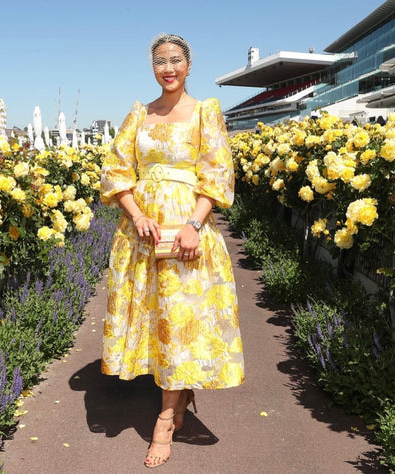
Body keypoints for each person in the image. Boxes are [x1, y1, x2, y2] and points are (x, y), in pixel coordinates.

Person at [100, 33, 244, 468]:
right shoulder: (138, 114)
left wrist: (194, 224)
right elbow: (115, 170)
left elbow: (218, 174)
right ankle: (179, 396)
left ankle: (165, 418)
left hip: (187, 231)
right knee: (153, 319)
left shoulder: (205, 112)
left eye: (175, 60)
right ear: (152, 67)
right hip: (141, 234)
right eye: (160, 61)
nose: (168, 68)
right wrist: (135, 213)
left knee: (182, 318)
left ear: (188, 65)